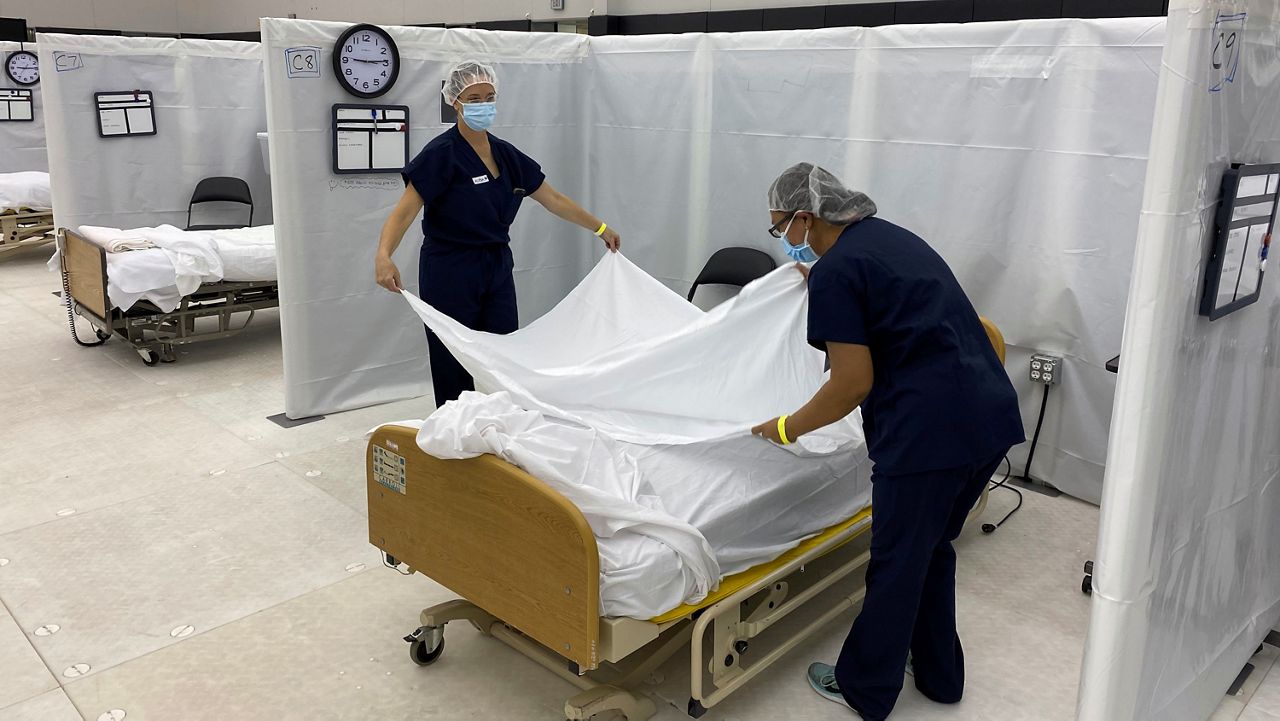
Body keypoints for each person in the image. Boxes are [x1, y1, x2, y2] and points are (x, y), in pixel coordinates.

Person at [750, 163, 1024, 720]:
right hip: (986, 417)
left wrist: (787, 427)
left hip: (928, 437)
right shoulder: (885, 239)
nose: (787, 243)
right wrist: (823, 278)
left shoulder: (837, 274)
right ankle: (940, 676)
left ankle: (865, 689)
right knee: (930, 549)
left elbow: (852, 382)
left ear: (807, 216)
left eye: (784, 230)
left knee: (897, 562)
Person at [375, 60, 621, 407]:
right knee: (452, 356)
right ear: (454, 102)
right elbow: (403, 213)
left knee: (506, 350)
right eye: (473, 98)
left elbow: (552, 198)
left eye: (489, 97)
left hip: (495, 265)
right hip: (449, 267)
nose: (483, 104)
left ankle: (506, 423)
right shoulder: (441, 155)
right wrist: (384, 256)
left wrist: (599, 227)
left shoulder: (505, 154)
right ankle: (456, 432)